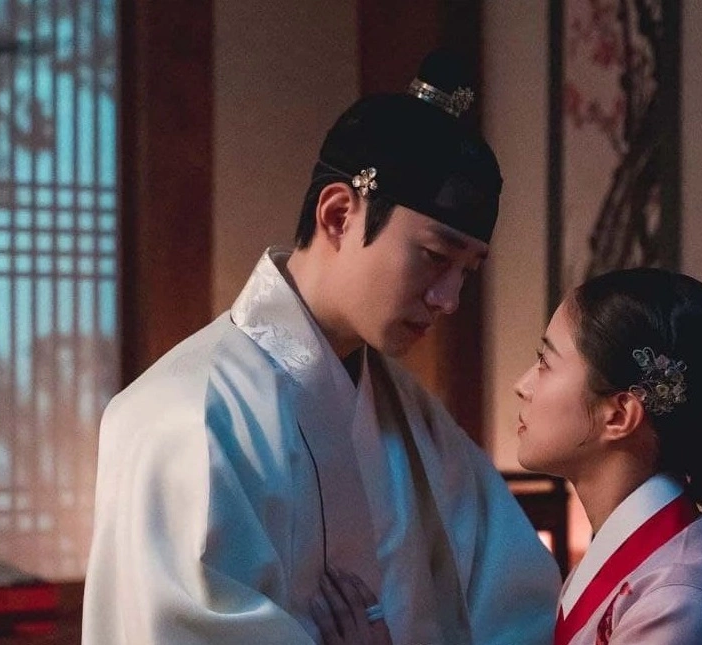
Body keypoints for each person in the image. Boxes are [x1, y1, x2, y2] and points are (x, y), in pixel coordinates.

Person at [81, 49, 561, 644]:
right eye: (435, 257)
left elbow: (516, 604)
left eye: (468, 271)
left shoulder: (414, 417)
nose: (449, 299)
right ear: (338, 215)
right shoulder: (186, 416)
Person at [512, 269, 702, 644]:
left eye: (545, 362)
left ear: (619, 415)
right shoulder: (645, 566)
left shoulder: (678, 602)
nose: (522, 386)